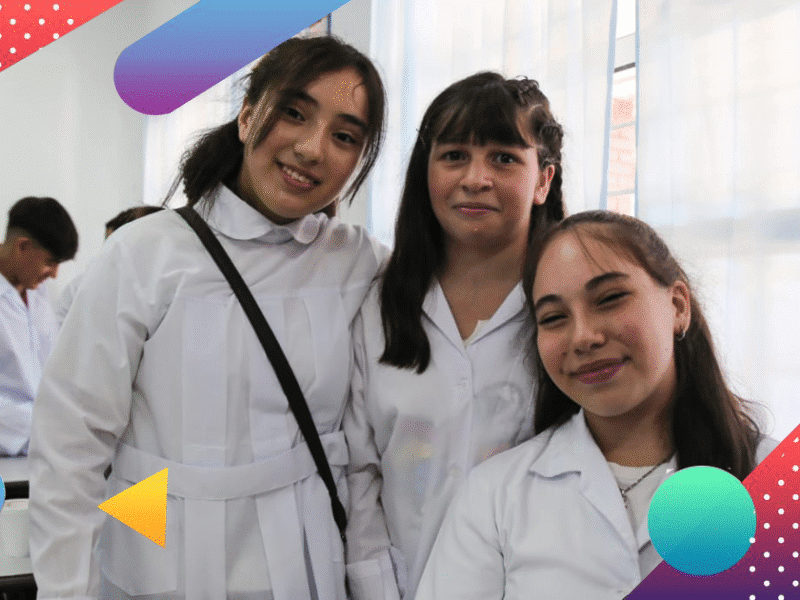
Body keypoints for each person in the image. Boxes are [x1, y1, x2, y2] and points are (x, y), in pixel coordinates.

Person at [29, 35, 386, 600]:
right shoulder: (145, 253)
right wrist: (69, 590)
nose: (312, 148)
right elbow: (69, 447)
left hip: (305, 565)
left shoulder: (356, 260)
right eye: (294, 114)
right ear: (247, 117)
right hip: (161, 559)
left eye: (345, 137)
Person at [415, 210, 777, 600]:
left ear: (677, 305)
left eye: (610, 299)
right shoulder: (494, 495)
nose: (583, 337)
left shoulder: (772, 480)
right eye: (554, 317)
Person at [344, 72, 565, 600]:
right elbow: (358, 469)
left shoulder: (570, 312)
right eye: (454, 156)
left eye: (503, 158)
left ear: (543, 181)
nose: (475, 178)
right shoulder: (379, 305)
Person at [0, 196, 78, 456]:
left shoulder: (38, 291)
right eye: (50, 262)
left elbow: (51, 369)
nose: (54, 274)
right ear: (22, 247)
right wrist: (46, 429)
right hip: (12, 446)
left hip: (43, 444)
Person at [54, 205, 164, 327]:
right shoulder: (81, 286)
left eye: (113, 245)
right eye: (107, 244)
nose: (108, 253)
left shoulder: (159, 287)